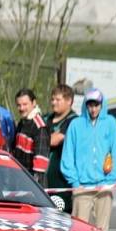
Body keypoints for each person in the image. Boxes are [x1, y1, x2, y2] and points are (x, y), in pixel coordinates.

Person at [60, 88, 116, 231]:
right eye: (90, 105)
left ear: (102, 104)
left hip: (104, 186)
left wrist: (110, 181)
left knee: (102, 230)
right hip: (81, 187)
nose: (93, 109)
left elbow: (115, 153)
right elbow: (67, 155)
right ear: (85, 105)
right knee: (78, 230)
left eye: (96, 105)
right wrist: (75, 182)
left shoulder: (110, 123)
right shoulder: (76, 125)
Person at [45, 84, 77, 213]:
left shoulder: (73, 121)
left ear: (69, 101)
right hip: (45, 181)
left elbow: (55, 140)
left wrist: (41, 139)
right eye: (52, 99)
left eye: (58, 100)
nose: (53, 103)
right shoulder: (47, 118)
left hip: (62, 182)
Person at [12, 88, 49, 185]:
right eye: (19, 105)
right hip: (19, 178)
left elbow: (40, 162)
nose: (21, 108)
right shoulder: (22, 122)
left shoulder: (39, 126)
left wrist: (36, 186)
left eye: (25, 104)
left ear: (33, 103)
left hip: (33, 183)